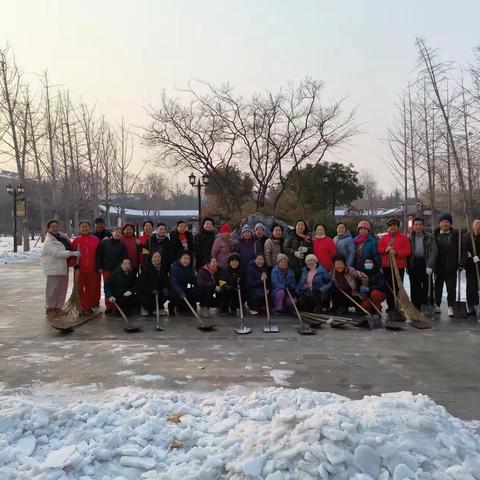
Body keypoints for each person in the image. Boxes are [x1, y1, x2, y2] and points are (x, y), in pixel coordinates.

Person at [41, 219, 79, 318]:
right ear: (48, 228)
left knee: (62, 289)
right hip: (53, 269)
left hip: (63, 267)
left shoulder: (62, 237)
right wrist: (71, 253)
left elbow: (69, 246)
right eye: (52, 227)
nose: (55, 228)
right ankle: (50, 309)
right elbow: (56, 253)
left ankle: (58, 307)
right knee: (52, 290)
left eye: (56, 226)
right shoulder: (48, 241)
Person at [378, 218, 411, 313]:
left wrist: (396, 252)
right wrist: (386, 249)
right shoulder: (384, 238)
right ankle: (390, 305)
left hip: (398, 266)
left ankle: (397, 305)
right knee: (388, 287)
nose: (392, 228)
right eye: (390, 226)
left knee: (397, 287)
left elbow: (407, 251)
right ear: (388, 228)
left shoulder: (403, 238)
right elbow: (379, 249)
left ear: (397, 227)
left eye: (394, 226)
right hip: (387, 266)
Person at [407, 218, 438, 310]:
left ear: (423, 226)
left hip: (425, 263)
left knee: (427, 286)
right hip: (414, 264)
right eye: (416, 225)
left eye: (420, 224)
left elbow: (434, 251)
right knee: (414, 286)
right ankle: (416, 307)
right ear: (413, 226)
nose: (418, 227)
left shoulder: (430, 237)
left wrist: (430, 265)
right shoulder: (409, 237)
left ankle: (428, 305)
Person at [96, 227, 128, 313]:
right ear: (112, 233)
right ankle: (109, 306)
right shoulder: (105, 243)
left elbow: (124, 257)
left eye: (119, 233)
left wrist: (124, 268)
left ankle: (116, 306)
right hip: (106, 268)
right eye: (116, 232)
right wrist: (99, 266)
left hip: (117, 270)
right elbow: (99, 255)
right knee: (108, 287)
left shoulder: (122, 245)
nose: (117, 234)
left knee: (116, 288)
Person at [72, 221, 101, 315]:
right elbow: (71, 255)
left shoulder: (95, 240)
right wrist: (73, 263)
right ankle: (81, 307)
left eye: (86, 226)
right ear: (79, 228)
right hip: (79, 270)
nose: (85, 228)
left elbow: (100, 254)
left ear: (89, 228)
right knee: (79, 289)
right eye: (82, 226)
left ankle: (88, 306)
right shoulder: (76, 241)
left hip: (92, 270)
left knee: (91, 290)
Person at [433, 213, 459, 317]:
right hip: (438, 265)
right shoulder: (434, 234)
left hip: (451, 265)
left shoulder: (456, 234)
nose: (444, 224)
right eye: (442, 222)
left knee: (451, 287)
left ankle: (450, 306)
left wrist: (460, 262)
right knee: (438, 287)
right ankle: (437, 304)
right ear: (440, 223)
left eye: (447, 222)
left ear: (450, 223)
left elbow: (460, 249)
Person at [136, 251, 169, 316]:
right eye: (155, 257)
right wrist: (151, 290)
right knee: (150, 303)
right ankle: (145, 307)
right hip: (147, 293)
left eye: (159, 257)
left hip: (158, 292)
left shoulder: (163, 268)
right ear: (151, 258)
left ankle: (157, 308)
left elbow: (166, 280)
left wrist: (165, 287)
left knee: (167, 294)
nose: (157, 258)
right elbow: (142, 283)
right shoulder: (147, 268)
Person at [461, 217, 480, 315]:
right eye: (476, 224)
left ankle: (477, 305)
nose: (478, 226)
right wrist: (466, 255)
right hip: (470, 266)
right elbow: (463, 248)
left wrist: (479, 257)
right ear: (472, 226)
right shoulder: (467, 236)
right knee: (471, 287)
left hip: (479, 264)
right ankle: (472, 306)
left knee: (478, 286)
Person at [169, 251, 197, 315]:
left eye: (188, 259)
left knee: (193, 292)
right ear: (180, 259)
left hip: (185, 289)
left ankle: (182, 306)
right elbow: (173, 283)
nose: (186, 261)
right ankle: (172, 305)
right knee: (175, 295)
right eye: (184, 258)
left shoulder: (190, 269)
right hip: (175, 291)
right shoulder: (174, 268)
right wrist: (180, 292)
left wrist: (194, 286)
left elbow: (192, 282)